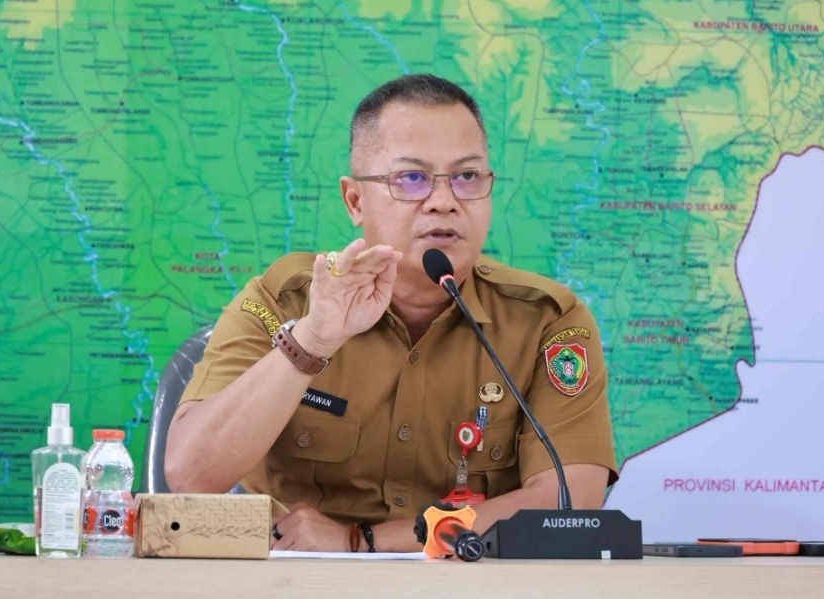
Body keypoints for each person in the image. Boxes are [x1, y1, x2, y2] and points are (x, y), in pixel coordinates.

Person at [165, 73, 618, 553]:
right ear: (354, 200)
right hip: (299, 579)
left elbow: (569, 502)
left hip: (470, 580)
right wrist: (312, 340)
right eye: (411, 178)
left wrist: (363, 542)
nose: (443, 202)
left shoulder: (546, 320)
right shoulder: (283, 302)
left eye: (467, 177)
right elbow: (191, 475)